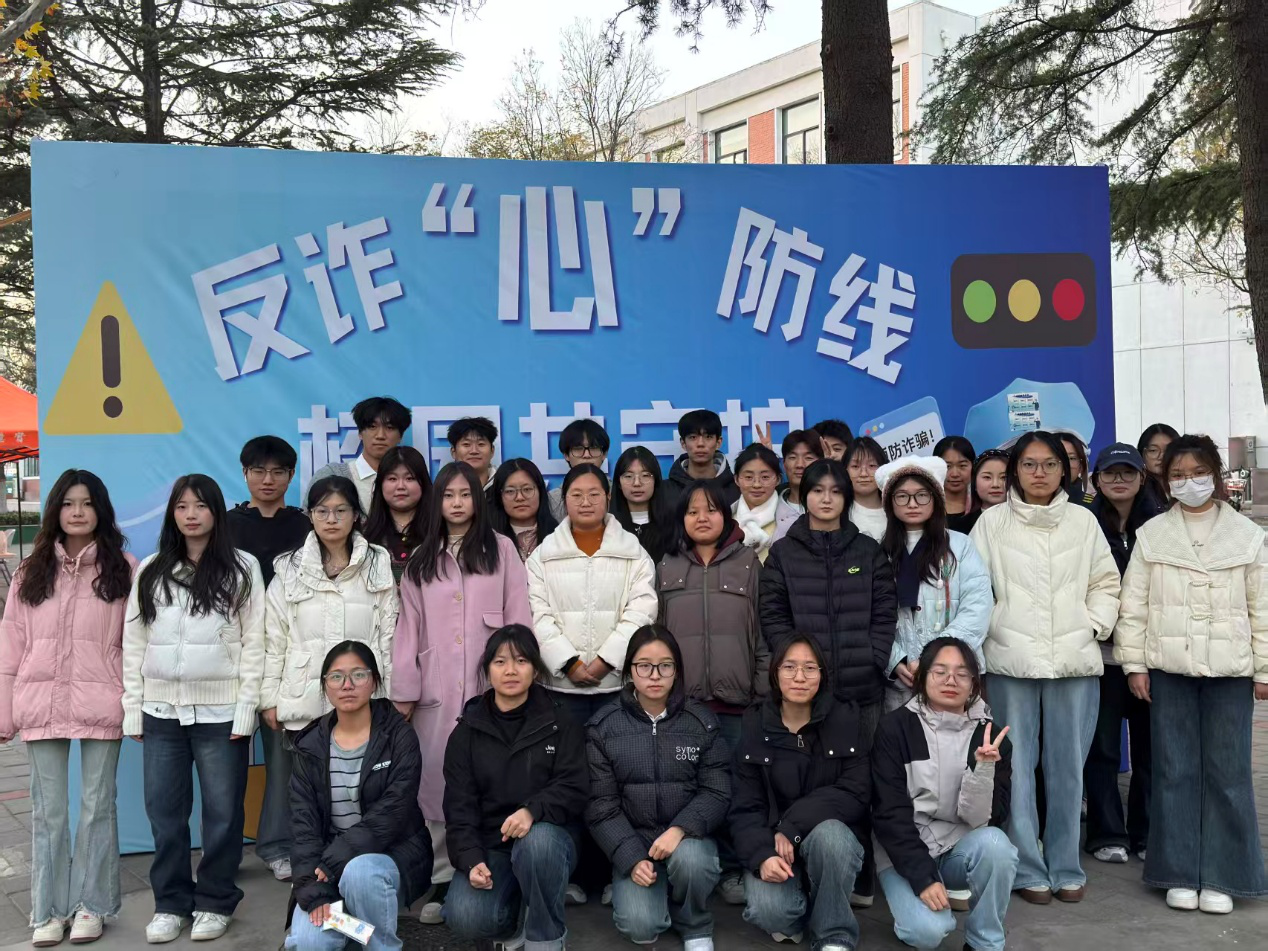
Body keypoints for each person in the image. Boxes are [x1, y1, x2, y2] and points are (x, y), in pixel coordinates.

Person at [1115, 433, 1268, 914]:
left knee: (1229, 773)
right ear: (1165, 481)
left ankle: (1226, 875)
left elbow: (1263, 607)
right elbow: (1133, 606)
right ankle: (1178, 871)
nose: (1189, 482)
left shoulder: (1247, 536)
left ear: (1216, 476)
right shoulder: (1153, 535)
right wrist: (1135, 664)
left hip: (1230, 672)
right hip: (1170, 669)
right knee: (1174, 769)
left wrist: (1264, 669)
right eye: (1178, 475)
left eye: (1198, 473)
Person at [970, 430, 1120, 905]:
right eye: (1030, 464)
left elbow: (1106, 582)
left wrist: (1091, 625)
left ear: (1066, 470)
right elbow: (974, 588)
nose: (1040, 473)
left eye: (1050, 464)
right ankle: (1027, 868)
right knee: (1015, 768)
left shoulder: (1083, 521)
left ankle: (1065, 865)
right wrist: (996, 629)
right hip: (1009, 661)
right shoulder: (992, 523)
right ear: (1015, 470)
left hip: (1073, 661)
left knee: (1068, 767)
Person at [121, 474, 265, 944]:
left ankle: (215, 901)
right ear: (172, 514)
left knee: (223, 816)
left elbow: (255, 644)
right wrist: (134, 707)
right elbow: (134, 642)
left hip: (221, 714)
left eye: (200, 506)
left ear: (216, 512)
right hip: (161, 712)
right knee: (165, 815)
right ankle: (170, 904)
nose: (190, 515)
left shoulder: (242, 568)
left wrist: (246, 709)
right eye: (181, 506)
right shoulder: (151, 569)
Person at [389, 461, 532, 923]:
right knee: (436, 781)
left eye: (465, 494)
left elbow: (519, 615)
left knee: (494, 774)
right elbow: (407, 629)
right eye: (448, 495)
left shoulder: (501, 549)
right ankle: (442, 876)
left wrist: (521, 673)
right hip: (436, 691)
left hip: (493, 687)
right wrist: (404, 690)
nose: (456, 503)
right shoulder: (422, 559)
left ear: (477, 500)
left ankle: (500, 871)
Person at [0, 470, 136, 947]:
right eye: (68, 503)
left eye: (87, 503)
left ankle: (92, 906)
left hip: (103, 700)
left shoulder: (124, 569)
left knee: (97, 808)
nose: (77, 512)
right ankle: (49, 912)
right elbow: (11, 641)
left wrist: (133, 702)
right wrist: (4, 711)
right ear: (55, 509)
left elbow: (135, 643)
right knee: (48, 813)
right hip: (40, 702)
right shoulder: (30, 570)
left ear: (101, 509)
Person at [443, 625, 590, 951]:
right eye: (500, 662)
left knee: (538, 844)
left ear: (535, 669)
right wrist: (471, 860)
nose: (510, 670)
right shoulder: (467, 732)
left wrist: (532, 811)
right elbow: (459, 807)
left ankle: (545, 937)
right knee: (465, 915)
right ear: (488, 670)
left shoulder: (559, 721)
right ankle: (519, 914)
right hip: (493, 845)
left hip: (550, 839)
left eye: (521, 661)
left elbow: (574, 786)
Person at [586, 626, 731, 951]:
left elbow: (717, 791)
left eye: (665, 666)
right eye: (644, 666)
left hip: (687, 839)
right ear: (629, 670)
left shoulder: (701, 722)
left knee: (692, 862)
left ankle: (694, 922)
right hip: (634, 841)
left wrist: (680, 829)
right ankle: (643, 890)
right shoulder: (604, 727)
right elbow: (601, 806)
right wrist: (631, 859)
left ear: (676, 670)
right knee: (641, 927)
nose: (655, 675)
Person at [285, 642, 433, 951]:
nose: (347, 685)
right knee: (309, 942)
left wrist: (338, 859)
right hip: (326, 868)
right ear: (325, 686)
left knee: (359, 873)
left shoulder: (399, 736)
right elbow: (303, 828)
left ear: (375, 681)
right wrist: (315, 893)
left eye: (358, 675)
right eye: (336, 677)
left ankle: (381, 946)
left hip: (389, 856)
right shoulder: (309, 747)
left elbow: (393, 812)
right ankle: (356, 931)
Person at [872, 637, 1017, 951]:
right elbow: (889, 814)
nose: (951, 681)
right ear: (922, 677)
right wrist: (923, 877)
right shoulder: (896, 728)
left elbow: (989, 820)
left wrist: (983, 771)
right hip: (904, 850)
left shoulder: (990, 738)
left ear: (974, 683)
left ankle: (985, 942)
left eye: (962, 674)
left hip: (957, 848)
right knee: (927, 933)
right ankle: (920, 904)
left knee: (997, 846)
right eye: (940, 672)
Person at [658, 479, 765, 905]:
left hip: (737, 702)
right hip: (683, 704)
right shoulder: (666, 564)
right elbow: (655, 636)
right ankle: (688, 868)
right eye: (692, 511)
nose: (702, 518)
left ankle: (734, 869)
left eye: (711, 510)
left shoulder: (749, 563)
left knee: (737, 789)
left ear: (726, 515)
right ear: (681, 519)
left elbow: (764, 633)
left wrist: (761, 690)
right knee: (687, 787)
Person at [731, 635, 869, 951]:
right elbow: (745, 806)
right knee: (772, 912)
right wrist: (761, 855)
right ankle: (799, 913)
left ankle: (833, 932)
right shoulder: (755, 724)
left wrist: (791, 827)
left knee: (832, 837)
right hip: (773, 844)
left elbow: (855, 791)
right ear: (775, 673)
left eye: (810, 668)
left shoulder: (845, 718)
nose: (799, 677)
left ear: (822, 674)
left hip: (825, 840)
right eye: (789, 667)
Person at [226, 437, 311, 883]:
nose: (267, 480)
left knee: (283, 759)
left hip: (284, 654)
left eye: (278, 472)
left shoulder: (305, 526)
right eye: (258, 471)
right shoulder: (226, 525)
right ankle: (223, 852)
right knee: (226, 764)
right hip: (233, 659)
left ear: (290, 476)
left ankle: (278, 845)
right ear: (245, 474)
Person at [261, 475, 399, 736]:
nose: (331, 519)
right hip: (304, 700)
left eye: (340, 511)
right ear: (310, 516)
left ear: (355, 515)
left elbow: (388, 636)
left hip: (366, 699)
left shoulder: (376, 563)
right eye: (322, 511)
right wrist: (269, 698)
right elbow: (274, 640)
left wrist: (393, 693)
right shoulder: (289, 568)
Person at [529, 464, 660, 727]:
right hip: (559, 687)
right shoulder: (542, 556)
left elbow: (642, 612)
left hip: (616, 685)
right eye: (576, 495)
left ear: (608, 497)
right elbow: (536, 614)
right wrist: (568, 663)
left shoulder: (633, 553)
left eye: (594, 494)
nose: (585, 502)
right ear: (564, 500)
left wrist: (607, 661)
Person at [1083, 443, 1163, 867]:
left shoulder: (1161, 525)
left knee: (1151, 750)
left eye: (1127, 472)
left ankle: (1146, 832)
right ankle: (1107, 833)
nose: (1119, 480)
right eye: (1110, 473)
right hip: (1103, 657)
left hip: (1151, 657)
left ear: (1141, 478)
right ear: (1096, 480)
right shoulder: (1084, 525)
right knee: (1103, 750)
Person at [874, 455, 992, 713]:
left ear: (936, 498)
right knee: (904, 738)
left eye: (922, 495)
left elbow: (977, 607)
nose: (912, 503)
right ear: (889, 503)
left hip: (954, 676)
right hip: (902, 679)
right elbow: (871, 617)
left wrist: (935, 660)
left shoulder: (960, 546)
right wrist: (896, 661)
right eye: (902, 496)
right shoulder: (879, 552)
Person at [311, 397, 412, 513]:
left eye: (389, 427)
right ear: (360, 432)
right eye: (372, 427)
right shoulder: (331, 474)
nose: (380, 435)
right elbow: (309, 518)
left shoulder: (413, 480)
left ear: (400, 436)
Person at [362, 445, 432, 584]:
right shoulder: (363, 534)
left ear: (423, 483)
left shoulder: (439, 528)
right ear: (380, 485)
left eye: (409, 478)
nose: (400, 486)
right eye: (392, 479)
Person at [732, 443, 799, 563]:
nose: (757, 484)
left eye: (765, 477)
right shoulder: (724, 519)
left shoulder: (793, 522)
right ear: (736, 479)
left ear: (778, 479)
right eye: (748, 477)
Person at [663, 410, 740, 510]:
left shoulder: (738, 489)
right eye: (693, 437)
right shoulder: (664, 491)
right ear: (683, 443)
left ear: (718, 442)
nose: (700, 444)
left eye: (708, 437)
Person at [610, 446, 673, 565]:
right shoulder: (608, 526)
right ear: (618, 483)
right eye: (628, 476)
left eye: (645, 475)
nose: (637, 483)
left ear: (656, 481)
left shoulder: (673, 525)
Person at [490, 457, 559, 562]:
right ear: (499, 496)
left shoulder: (559, 536)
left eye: (527, 489)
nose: (519, 497)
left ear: (540, 492)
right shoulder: (488, 539)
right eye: (510, 491)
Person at [547, 418, 611, 521]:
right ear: (566, 455)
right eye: (578, 449)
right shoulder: (552, 499)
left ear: (604, 454)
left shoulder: (619, 492)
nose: (586, 455)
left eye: (594, 448)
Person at [956, 449, 1010, 535]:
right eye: (987, 477)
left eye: (1004, 477)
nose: (995, 484)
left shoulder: (1027, 519)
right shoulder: (959, 528)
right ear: (974, 482)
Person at [845, 436, 888, 542]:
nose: (863, 474)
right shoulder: (838, 511)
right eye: (855, 466)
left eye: (872, 465)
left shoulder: (897, 509)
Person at [776, 429, 823, 515]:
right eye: (793, 457)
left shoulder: (833, 506)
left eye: (808, 458)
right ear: (784, 464)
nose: (800, 465)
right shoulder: (772, 507)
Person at [933, 436, 975, 529]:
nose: (955, 474)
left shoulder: (983, 505)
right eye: (947, 466)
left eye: (962, 465)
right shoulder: (927, 508)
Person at [447, 416, 499, 489]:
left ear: (492, 451)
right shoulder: (443, 487)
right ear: (453, 452)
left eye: (481, 444)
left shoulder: (503, 484)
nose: (474, 451)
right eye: (466, 444)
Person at [1137, 422, 1180, 507]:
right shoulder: (1137, 490)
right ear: (1142, 454)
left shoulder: (1187, 485)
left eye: (1168, 450)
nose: (1161, 456)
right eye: (1153, 450)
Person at [1056, 431, 1094, 504]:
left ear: (1081, 466)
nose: (1065, 464)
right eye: (1058, 457)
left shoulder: (1094, 505)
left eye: (1071, 458)